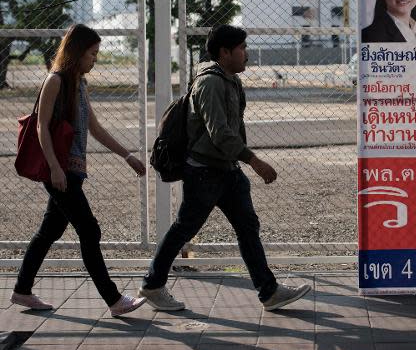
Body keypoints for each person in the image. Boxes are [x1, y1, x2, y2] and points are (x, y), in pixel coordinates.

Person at [139, 25, 310, 312]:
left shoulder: (230, 81)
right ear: (224, 52)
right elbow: (219, 133)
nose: (247, 54)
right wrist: (253, 160)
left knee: (247, 227)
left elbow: (232, 129)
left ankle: (269, 292)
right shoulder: (210, 83)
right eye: (242, 48)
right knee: (185, 229)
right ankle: (153, 285)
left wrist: (239, 161)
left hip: (226, 170)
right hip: (204, 172)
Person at [11, 24, 147, 317]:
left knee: (50, 230)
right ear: (77, 52)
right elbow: (41, 126)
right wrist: (55, 169)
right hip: (59, 172)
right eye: (92, 54)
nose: (95, 59)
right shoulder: (56, 81)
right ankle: (113, 300)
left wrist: (127, 156)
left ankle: (22, 290)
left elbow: (95, 128)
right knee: (89, 229)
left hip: (72, 171)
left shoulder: (78, 83)